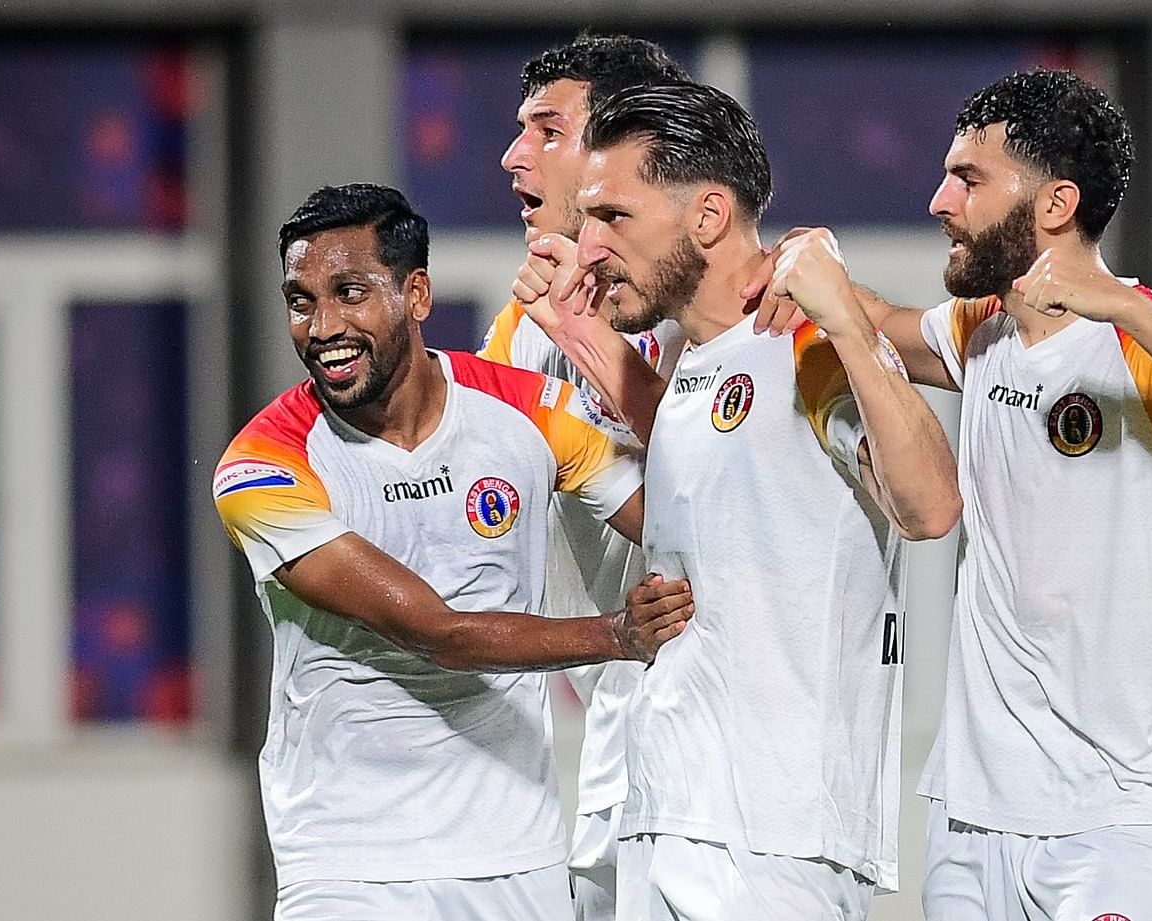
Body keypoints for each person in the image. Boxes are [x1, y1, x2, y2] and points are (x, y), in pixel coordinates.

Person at [744, 68, 1152, 920]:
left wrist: (1124, 304)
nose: (939, 200)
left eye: (968, 179)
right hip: (973, 809)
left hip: (1118, 816)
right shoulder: (985, 328)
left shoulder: (1137, 345)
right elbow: (880, 326)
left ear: (1054, 204)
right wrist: (796, 263)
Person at [514, 81, 962, 921]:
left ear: (708, 216)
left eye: (614, 217)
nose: (591, 240)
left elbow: (932, 505)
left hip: (770, 840)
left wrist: (854, 329)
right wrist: (577, 333)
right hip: (669, 814)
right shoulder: (702, 355)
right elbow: (717, 457)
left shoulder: (810, 342)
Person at [212, 183, 692, 921]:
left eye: (349, 292)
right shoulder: (264, 464)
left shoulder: (526, 410)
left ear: (416, 294)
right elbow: (436, 631)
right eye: (301, 300)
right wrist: (616, 635)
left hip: (515, 855)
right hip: (347, 863)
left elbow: (678, 522)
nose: (322, 326)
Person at [484, 35, 691, 920]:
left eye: (546, 129)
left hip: (749, 768)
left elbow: (725, 493)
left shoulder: (734, 299)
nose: (512, 156)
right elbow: (469, 467)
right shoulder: (528, 324)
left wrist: (579, 331)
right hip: (619, 746)